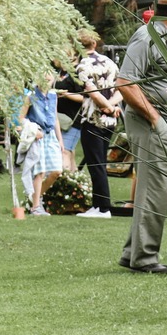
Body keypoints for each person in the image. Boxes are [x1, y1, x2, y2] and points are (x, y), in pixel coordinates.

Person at [117, 0, 167, 273]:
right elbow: (125, 82)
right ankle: (144, 259)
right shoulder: (147, 36)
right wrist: (155, 119)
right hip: (151, 122)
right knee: (155, 189)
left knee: (162, 189)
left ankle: (132, 252)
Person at [65, 29, 122, 217]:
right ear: (95, 44)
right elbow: (122, 87)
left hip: (93, 119)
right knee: (100, 161)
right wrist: (112, 107)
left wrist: (105, 106)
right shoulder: (109, 62)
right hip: (110, 120)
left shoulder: (81, 66)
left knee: (95, 163)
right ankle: (98, 205)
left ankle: (103, 207)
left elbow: (92, 92)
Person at [17, 73, 66, 216]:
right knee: (40, 172)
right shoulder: (31, 95)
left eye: (49, 74)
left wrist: (60, 139)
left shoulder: (53, 95)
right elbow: (21, 118)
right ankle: (36, 207)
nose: (46, 77)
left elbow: (55, 117)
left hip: (50, 136)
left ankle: (35, 199)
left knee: (57, 171)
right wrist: (33, 129)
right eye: (43, 74)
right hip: (37, 136)